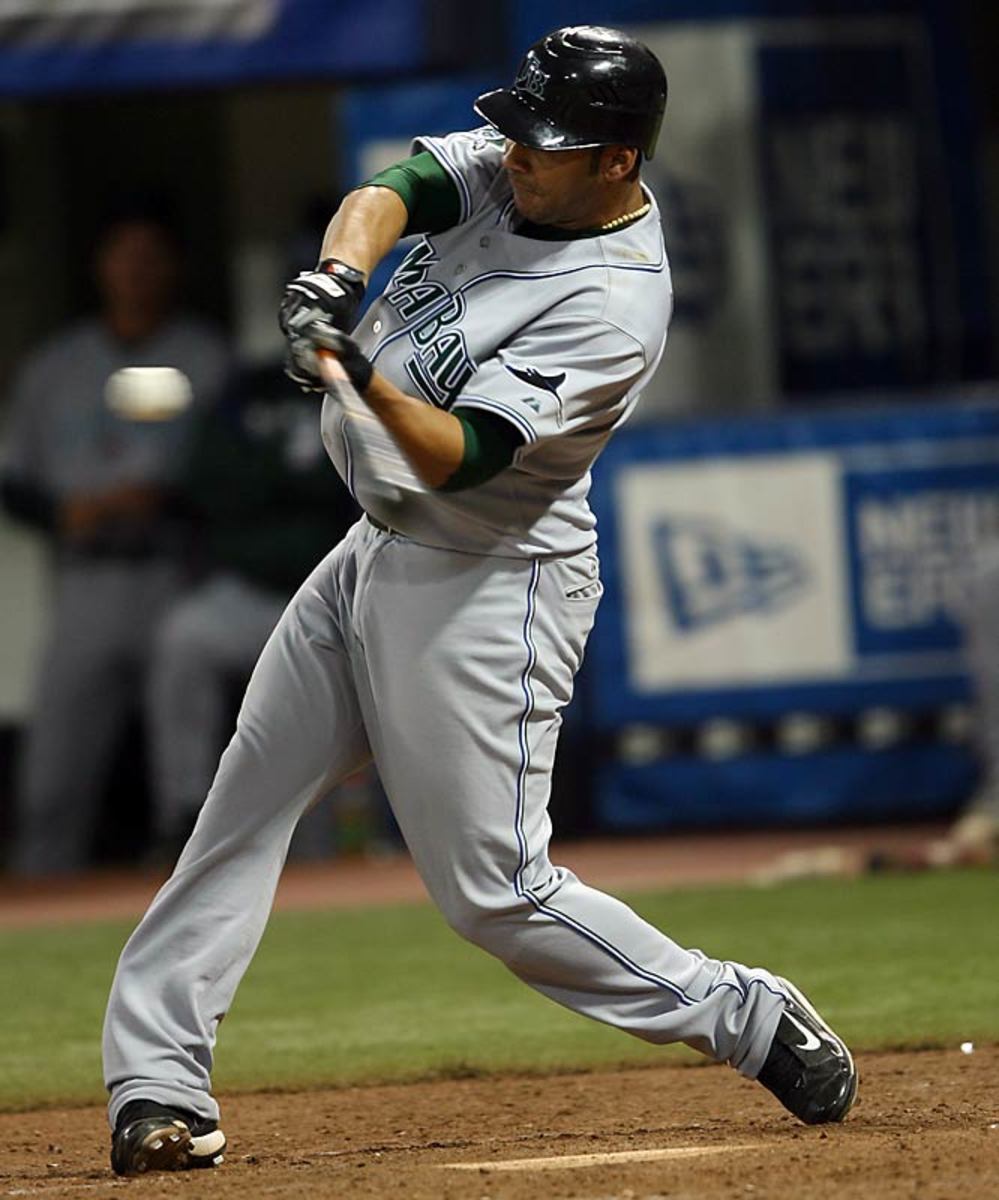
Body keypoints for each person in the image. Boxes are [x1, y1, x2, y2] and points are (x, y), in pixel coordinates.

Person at [102, 27, 858, 1177]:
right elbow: (392, 189)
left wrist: (351, 371)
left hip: (487, 586)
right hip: (374, 551)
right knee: (240, 812)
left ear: (617, 161)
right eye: (517, 128)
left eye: (545, 142)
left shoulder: (612, 305)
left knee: (497, 893)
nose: (515, 153)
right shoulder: (520, 167)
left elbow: (464, 454)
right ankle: (157, 1083)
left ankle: (743, 1013)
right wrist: (336, 282)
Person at [0, 201, 231, 875]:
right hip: (86, 582)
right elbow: (13, 480)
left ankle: (204, 910)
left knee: (188, 779)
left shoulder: (205, 357)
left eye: (149, 256)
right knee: (52, 779)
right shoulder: (56, 366)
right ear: (100, 266)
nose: (135, 270)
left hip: (177, 577)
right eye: (122, 255)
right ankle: (41, 918)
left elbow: (239, 476)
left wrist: (166, 496)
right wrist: (62, 513)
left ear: (172, 268)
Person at [145, 362, 363, 862]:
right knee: (184, 639)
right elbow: (209, 485)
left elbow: (357, 484)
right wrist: (286, 477)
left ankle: (342, 856)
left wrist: (282, 481)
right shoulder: (244, 389)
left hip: (337, 594)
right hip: (246, 592)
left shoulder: (362, 376)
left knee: (343, 716)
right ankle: (184, 813)